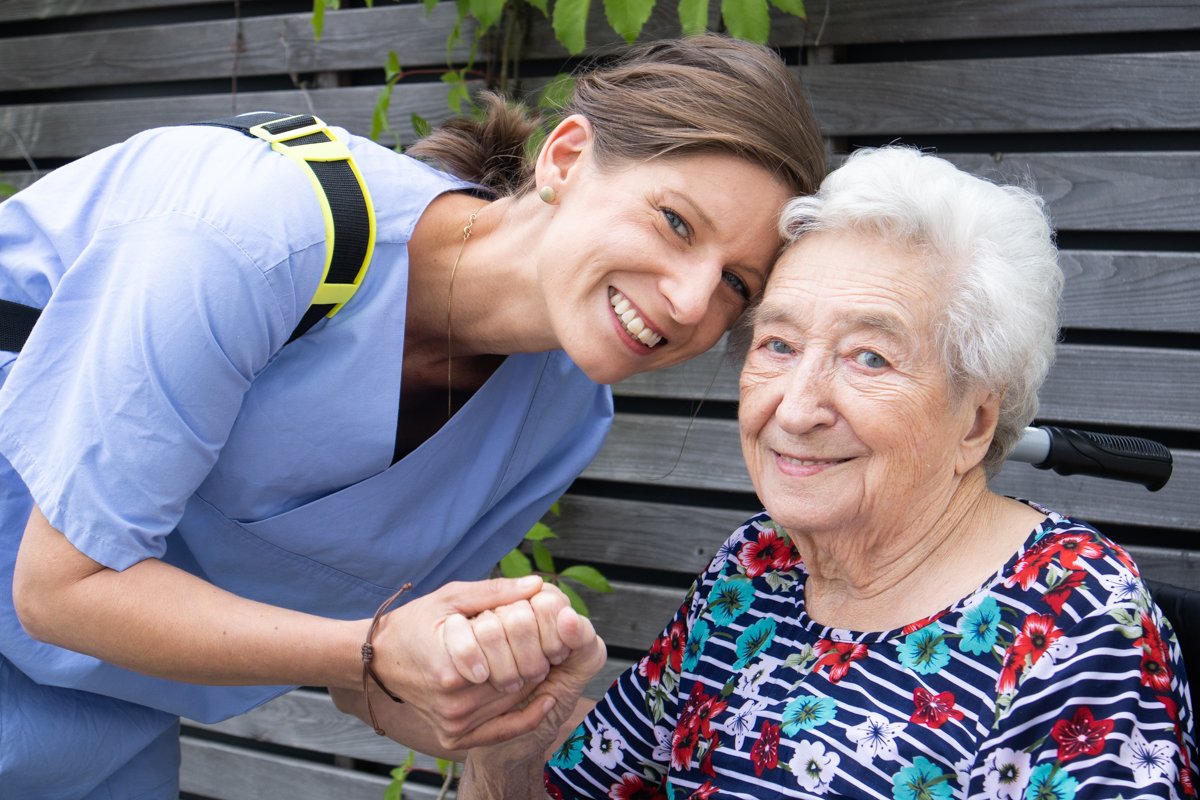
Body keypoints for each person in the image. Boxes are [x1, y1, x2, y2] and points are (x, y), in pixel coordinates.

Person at [0, 35, 826, 799]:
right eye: (676, 222)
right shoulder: (256, 229)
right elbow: (63, 588)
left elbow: (369, 677)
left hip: (92, 723)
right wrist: (368, 649)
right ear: (567, 159)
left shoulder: (565, 417)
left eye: (736, 286)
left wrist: (488, 690)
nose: (690, 301)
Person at [458, 146, 1199, 799]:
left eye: (869, 357)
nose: (798, 406)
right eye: (778, 344)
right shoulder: (756, 566)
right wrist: (513, 708)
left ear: (975, 420)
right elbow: (587, 781)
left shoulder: (1076, 616)